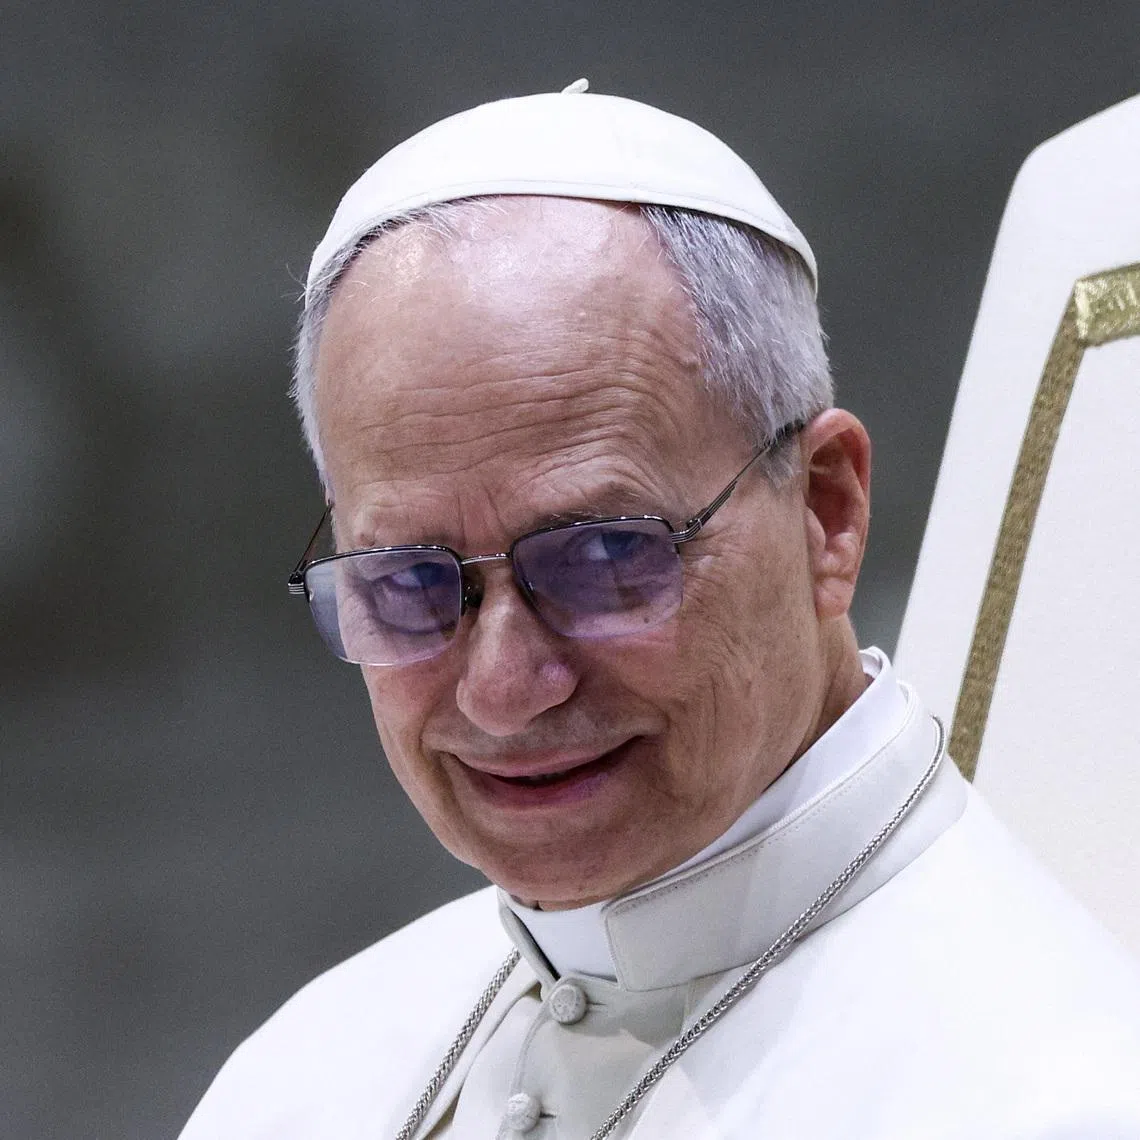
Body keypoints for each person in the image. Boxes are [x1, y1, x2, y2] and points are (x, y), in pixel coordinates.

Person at [180, 82, 1140, 1139]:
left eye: (601, 556)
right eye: (410, 581)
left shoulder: (1050, 1099)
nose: (503, 693)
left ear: (827, 510)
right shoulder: (304, 1077)